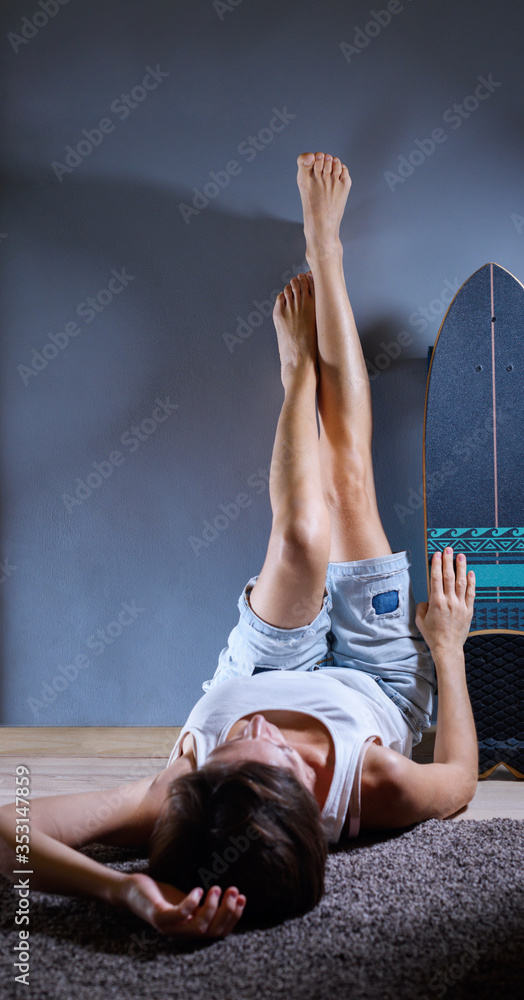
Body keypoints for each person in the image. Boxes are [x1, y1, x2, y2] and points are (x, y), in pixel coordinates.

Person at [0, 152, 478, 940]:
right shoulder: (379, 783)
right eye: (263, 755)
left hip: (260, 669)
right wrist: (448, 647)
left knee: (298, 538)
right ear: (304, 793)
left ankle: (295, 377)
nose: (249, 733)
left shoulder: (182, 794)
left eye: (219, 752)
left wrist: (119, 892)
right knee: (347, 483)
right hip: (377, 685)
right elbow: (457, 782)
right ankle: (327, 249)